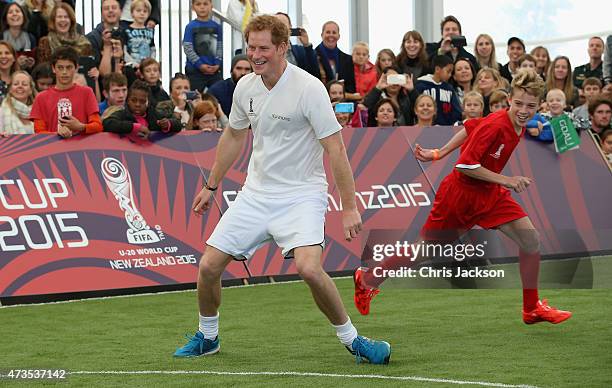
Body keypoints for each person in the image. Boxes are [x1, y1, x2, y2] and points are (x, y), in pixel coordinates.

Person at [173, 14, 391, 364]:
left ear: (282, 48)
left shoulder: (308, 88)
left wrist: (349, 206)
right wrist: (210, 185)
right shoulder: (245, 87)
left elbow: (335, 148)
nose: (255, 55)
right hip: (255, 194)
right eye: (251, 47)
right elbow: (233, 136)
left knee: (308, 268)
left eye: (263, 48)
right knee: (208, 266)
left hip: (303, 194)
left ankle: (354, 341)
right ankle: (208, 337)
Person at [353, 69, 573, 326]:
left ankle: (531, 308)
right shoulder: (497, 124)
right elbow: (465, 166)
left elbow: (470, 127)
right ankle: (367, 279)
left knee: (530, 239)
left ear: (539, 104)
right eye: (519, 103)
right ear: (510, 98)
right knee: (422, 251)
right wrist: (508, 181)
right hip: (459, 197)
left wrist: (439, 152)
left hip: (489, 194)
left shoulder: (514, 122)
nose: (524, 110)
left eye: (531, 106)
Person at [30, 46, 102, 137]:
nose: (64, 72)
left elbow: (98, 126)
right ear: (53, 68)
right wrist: (57, 134)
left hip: (81, 148)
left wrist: (80, 127)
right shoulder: (41, 97)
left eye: (69, 67)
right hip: (52, 149)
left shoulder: (87, 93)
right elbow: (38, 131)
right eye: (60, 67)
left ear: (76, 68)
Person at [103, 79, 181, 138]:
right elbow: (107, 123)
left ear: (148, 102)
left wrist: (168, 124)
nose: (137, 104)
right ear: (128, 100)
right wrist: (134, 127)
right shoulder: (122, 114)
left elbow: (178, 124)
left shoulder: (154, 114)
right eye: (133, 100)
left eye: (142, 101)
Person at [183, 0, 223, 91]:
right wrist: (200, 65)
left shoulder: (217, 27)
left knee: (218, 94)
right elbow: (188, 48)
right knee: (194, 97)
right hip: (195, 70)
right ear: (193, 7)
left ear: (211, 6)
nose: (202, 7)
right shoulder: (190, 27)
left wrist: (217, 63)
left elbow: (219, 47)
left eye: (205, 4)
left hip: (214, 70)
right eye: (198, 4)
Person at [415, 54, 462, 125]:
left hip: (447, 129)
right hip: (424, 128)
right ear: (437, 69)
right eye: (448, 71)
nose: (450, 75)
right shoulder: (421, 85)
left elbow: (456, 110)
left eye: (451, 72)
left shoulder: (449, 88)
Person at [315, 21, 357, 97]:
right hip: (319, 100)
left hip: (342, 104)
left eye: (334, 32)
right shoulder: (312, 57)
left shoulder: (347, 59)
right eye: (328, 32)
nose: (331, 35)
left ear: (339, 36)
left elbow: (351, 87)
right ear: (322, 35)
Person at [273, 12, 320, 79]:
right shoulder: (266, 51)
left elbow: (314, 72)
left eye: (282, 25)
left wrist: (307, 46)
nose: (279, 29)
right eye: (276, 25)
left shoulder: (300, 51)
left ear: (290, 27)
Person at [1, 2, 36, 71]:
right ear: (6, 19)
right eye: (10, 12)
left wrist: (31, 63)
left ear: (23, 17)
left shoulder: (31, 38)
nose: (14, 14)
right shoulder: (1, 37)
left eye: (17, 11)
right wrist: (16, 63)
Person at [0, 70, 36, 135]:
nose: (20, 86)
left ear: (30, 90)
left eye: (24, 84)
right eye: (16, 84)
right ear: (10, 89)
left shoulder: (37, 112)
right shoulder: (2, 111)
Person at [122, 0, 156, 67]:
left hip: (147, 67)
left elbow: (152, 49)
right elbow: (124, 50)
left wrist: (150, 62)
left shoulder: (150, 31)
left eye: (145, 11)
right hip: (132, 67)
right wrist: (133, 64)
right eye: (138, 11)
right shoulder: (126, 30)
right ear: (132, 13)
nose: (142, 13)